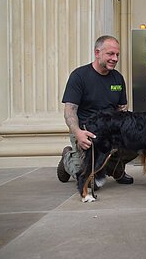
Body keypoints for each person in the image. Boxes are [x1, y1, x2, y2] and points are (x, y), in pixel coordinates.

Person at [57, 35, 137, 185]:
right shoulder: (79, 76)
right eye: (110, 54)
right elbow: (70, 110)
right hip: (87, 130)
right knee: (87, 178)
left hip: (111, 130)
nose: (115, 58)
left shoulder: (118, 79)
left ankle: (115, 168)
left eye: (117, 55)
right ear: (97, 52)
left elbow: (122, 108)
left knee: (139, 140)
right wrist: (78, 133)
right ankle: (68, 158)